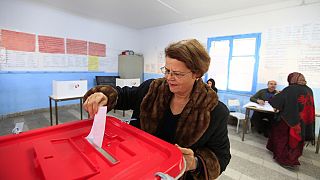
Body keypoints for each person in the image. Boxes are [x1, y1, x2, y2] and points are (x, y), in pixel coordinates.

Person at [83, 39, 231, 179]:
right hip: (138, 168)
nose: (169, 78)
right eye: (167, 70)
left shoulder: (214, 111)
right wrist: (104, 95)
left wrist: (195, 163)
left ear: (197, 74)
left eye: (177, 74)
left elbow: (221, 157)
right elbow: (124, 95)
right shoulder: (152, 89)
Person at [267, 72, 315, 168]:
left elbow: (277, 101)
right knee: (297, 140)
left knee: (283, 138)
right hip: (302, 120)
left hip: (289, 120)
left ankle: (284, 159)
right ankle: (294, 158)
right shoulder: (309, 89)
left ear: (291, 80)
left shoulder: (290, 89)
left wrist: (273, 98)